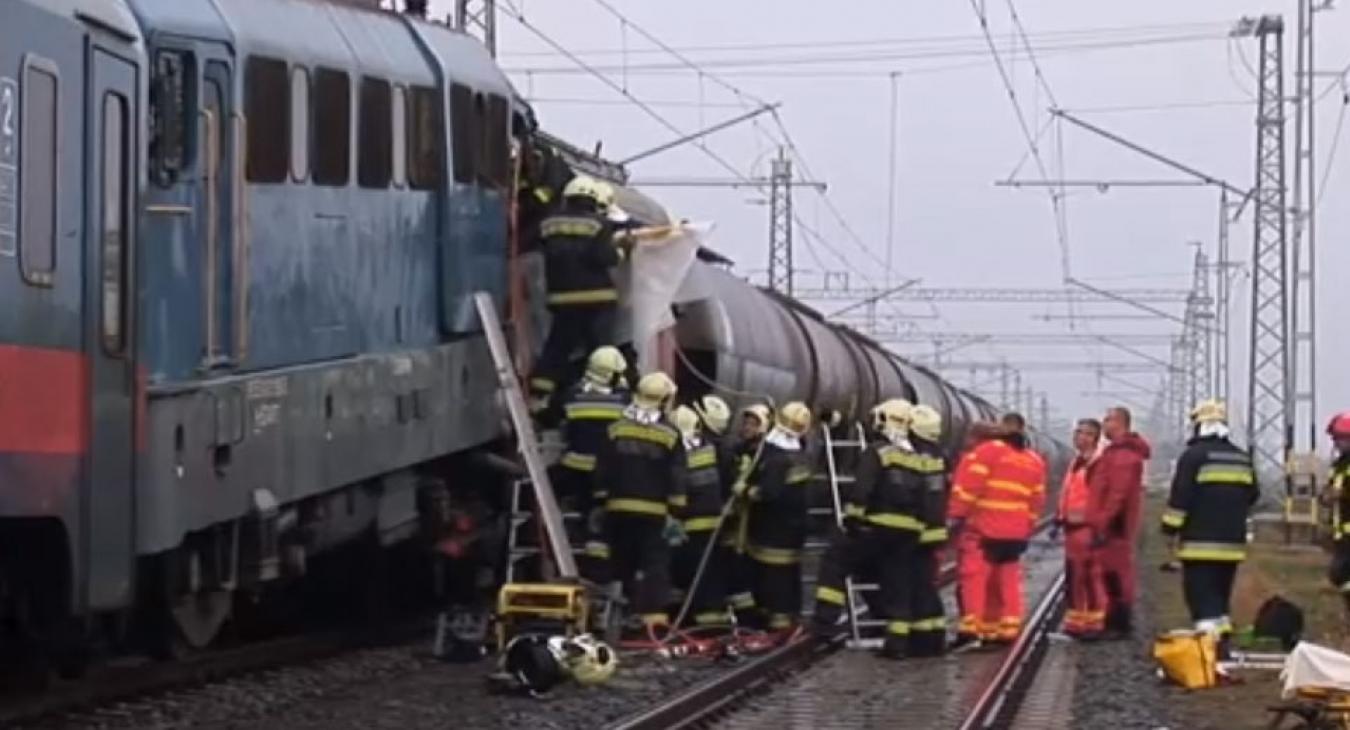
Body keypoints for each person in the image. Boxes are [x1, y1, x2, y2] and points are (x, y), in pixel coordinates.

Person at [812, 399, 920, 652]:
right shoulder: (915, 456)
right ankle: (893, 635)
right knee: (890, 578)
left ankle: (823, 623)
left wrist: (851, 520)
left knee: (836, 561)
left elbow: (862, 490)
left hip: (875, 529)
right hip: (905, 536)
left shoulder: (876, 452)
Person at [1160, 400, 1258, 657]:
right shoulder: (1241, 457)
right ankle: (1221, 640)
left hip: (1199, 543)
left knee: (1201, 596)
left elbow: (1181, 497)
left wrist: (1169, 529)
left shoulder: (1193, 457)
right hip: (1232, 545)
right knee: (1220, 595)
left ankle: (1208, 646)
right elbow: (1253, 494)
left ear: (1198, 425)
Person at [528, 175, 631, 416]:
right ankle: (608, 396)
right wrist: (622, 250)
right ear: (593, 201)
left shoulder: (548, 224)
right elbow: (604, 258)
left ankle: (540, 396)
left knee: (557, 348)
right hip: (598, 298)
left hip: (562, 299)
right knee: (601, 351)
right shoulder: (599, 224)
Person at [593, 372, 683, 633]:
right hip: (654, 511)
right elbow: (677, 476)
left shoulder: (616, 428)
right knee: (655, 562)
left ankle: (617, 615)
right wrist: (676, 511)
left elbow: (602, 469)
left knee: (622, 560)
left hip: (618, 508)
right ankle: (651, 621)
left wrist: (601, 500)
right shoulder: (670, 434)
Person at [948, 413, 1046, 645]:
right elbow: (1037, 499)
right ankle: (1006, 628)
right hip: (1015, 532)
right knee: (1007, 580)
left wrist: (954, 517)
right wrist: (1026, 525)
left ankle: (971, 627)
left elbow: (967, 490)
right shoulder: (1032, 459)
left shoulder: (985, 453)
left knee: (975, 577)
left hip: (984, 528)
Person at [555, 346, 629, 578]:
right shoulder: (623, 401)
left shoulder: (571, 395)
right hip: (606, 474)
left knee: (578, 510)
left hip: (574, 470)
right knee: (601, 518)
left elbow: (551, 415)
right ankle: (598, 568)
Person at [740, 402, 814, 632]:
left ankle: (775, 624)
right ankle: (789, 617)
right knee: (789, 574)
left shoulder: (777, 457)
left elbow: (767, 493)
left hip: (772, 529)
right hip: (794, 528)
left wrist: (743, 490)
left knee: (771, 577)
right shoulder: (800, 454)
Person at [1086, 406, 1152, 637]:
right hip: (1113, 523)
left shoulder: (1123, 455)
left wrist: (1103, 522)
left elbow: (1117, 494)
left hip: (1115, 525)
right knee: (1110, 572)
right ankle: (1114, 621)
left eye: (1108, 420)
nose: (1103, 425)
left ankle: (1119, 623)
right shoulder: (1115, 452)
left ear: (1121, 423)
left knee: (1116, 573)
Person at [669, 405, 732, 628]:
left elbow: (678, 494)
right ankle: (704, 618)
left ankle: (696, 620)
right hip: (712, 524)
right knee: (708, 572)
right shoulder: (709, 449)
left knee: (691, 571)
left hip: (692, 524)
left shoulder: (681, 456)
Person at [905, 404, 951, 656]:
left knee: (918, 585)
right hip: (934, 530)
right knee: (928, 585)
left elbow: (917, 496)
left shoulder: (918, 457)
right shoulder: (939, 456)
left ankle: (922, 642)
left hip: (920, 531)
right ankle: (935, 637)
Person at [1057, 419, 1107, 639]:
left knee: (1090, 577)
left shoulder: (1098, 463)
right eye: (1077, 432)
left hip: (1088, 528)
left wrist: (1100, 529)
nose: (1079, 437)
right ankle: (1077, 624)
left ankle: (1094, 625)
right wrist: (1060, 517)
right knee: (1075, 577)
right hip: (1073, 527)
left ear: (1094, 438)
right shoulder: (1077, 462)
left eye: (1085, 434)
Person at [724, 403, 773, 620]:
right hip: (738, 518)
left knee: (747, 569)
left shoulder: (764, 453)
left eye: (754, 423)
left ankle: (751, 617)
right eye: (746, 422)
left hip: (755, 521)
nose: (747, 427)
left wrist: (746, 489)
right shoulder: (739, 450)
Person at [1324, 412, 1350, 615]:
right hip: (1341, 532)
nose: (1336, 443)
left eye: (1340, 438)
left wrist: (1342, 494)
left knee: (1342, 574)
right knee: (1340, 576)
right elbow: (1330, 492)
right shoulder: (1339, 465)